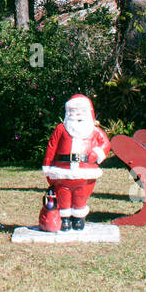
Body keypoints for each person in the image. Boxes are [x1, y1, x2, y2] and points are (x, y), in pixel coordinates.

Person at [42, 94, 110, 231]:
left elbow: (106, 143)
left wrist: (97, 153)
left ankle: (79, 218)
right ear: (68, 112)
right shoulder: (61, 129)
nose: (77, 114)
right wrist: (47, 165)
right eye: (73, 111)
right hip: (63, 171)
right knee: (63, 194)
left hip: (85, 172)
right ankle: (65, 219)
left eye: (81, 111)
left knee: (81, 195)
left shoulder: (94, 131)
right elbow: (52, 146)